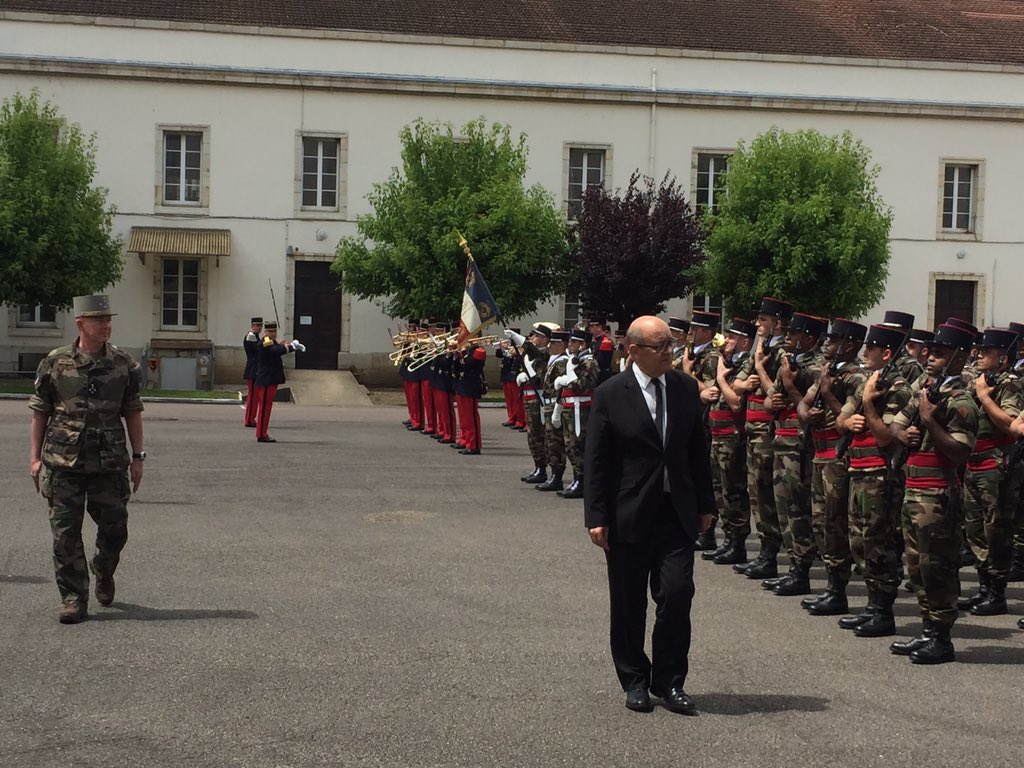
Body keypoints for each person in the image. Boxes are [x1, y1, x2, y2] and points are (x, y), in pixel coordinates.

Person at [584, 316, 715, 716]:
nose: (669, 352)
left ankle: (670, 681)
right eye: (660, 347)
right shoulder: (610, 393)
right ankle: (635, 679)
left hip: (676, 512)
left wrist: (706, 504)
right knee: (628, 603)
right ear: (633, 350)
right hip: (628, 513)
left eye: (671, 344)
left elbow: (697, 450)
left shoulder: (684, 388)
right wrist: (596, 516)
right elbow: (597, 460)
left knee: (676, 594)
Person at [29, 294, 146, 624]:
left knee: (115, 530)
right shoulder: (55, 362)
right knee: (65, 534)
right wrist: (34, 458)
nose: (107, 325)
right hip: (62, 461)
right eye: (99, 320)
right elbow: (40, 411)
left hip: (109, 462)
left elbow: (132, 410)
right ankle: (73, 597)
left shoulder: (124, 364)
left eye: (109, 319)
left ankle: (103, 568)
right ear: (81, 323)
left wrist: (138, 457)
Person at [889, 323, 980, 664]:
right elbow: (896, 423)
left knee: (937, 567)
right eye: (931, 352)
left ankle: (942, 638)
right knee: (916, 568)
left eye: (939, 354)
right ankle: (927, 629)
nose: (930, 358)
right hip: (914, 491)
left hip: (937, 496)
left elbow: (960, 452)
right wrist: (904, 435)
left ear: (958, 358)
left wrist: (929, 422)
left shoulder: (962, 402)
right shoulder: (927, 390)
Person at [797, 318, 867, 616]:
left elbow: (847, 422)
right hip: (819, 453)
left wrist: (827, 394)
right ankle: (831, 585)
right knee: (820, 522)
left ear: (850, 345)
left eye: (835, 340)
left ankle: (838, 589)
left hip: (837, 459)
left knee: (835, 523)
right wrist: (806, 412)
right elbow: (803, 403)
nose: (828, 344)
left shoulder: (856, 377)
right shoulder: (829, 371)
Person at [704, 318, 755, 565]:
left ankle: (738, 543)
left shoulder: (746, 364)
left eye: (732, 337)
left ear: (745, 341)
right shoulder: (728, 362)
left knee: (733, 490)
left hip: (732, 436)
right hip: (718, 434)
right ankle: (728, 539)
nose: (726, 340)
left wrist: (722, 380)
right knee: (719, 490)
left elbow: (735, 403)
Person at [253, 321, 303, 443]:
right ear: (266, 332)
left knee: (267, 407)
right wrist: (290, 346)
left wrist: (286, 345)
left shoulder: (271, 342)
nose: (273, 334)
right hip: (266, 379)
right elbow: (275, 351)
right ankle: (261, 434)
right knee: (264, 407)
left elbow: (277, 348)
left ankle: (262, 433)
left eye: (274, 331)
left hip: (270, 378)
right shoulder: (266, 340)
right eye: (270, 331)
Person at [243, 316, 263, 428]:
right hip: (253, 369)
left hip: (255, 369)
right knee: (253, 396)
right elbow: (259, 349)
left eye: (260, 326)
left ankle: (251, 418)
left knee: (255, 396)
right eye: (257, 325)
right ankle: (249, 419)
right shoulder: (251, 336)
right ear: (252, 326)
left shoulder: (255, 336)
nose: (259, 327)